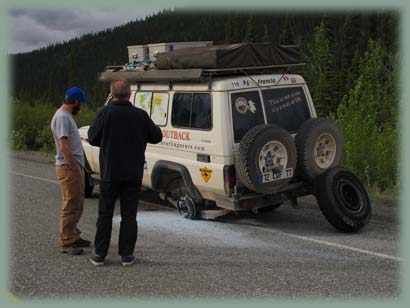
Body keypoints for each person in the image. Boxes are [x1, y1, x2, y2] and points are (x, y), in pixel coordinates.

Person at [88, 78, 162, 266]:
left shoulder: (104, 113)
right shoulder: (140, 115)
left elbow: (92, 138)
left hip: (110, 172)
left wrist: (107, 141)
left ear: (112, 94)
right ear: (129, 94)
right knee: (129, 215)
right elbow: (156, 136)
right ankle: (127, 255)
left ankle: (99, 254)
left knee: (105, 214)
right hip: (133, 173)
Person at [51, 87, 92, 255]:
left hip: (73, 166)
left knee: (77, 203)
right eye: (81, 103)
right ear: (75, 101)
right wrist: (73, 166)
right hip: (68, 167)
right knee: (70, 204)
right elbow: (63, 145)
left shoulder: (66, 116)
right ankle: (67, 241)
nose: (81, 106)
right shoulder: (62, 117)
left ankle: (73, 234)